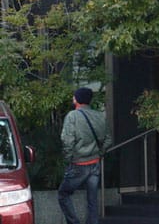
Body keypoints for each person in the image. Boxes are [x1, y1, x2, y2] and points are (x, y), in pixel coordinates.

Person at [58, 88, 112, 224]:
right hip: (95, 163)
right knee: (92, 199)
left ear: (77, 99)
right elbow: (108, 139)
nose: (72, 98)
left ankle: (73, 222)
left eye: (74, 96)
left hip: (78, 163)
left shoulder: (72, 116)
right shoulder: (100, 115)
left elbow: (67, 140)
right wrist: (100, 153)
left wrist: (68, 158)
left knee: (63, 194)